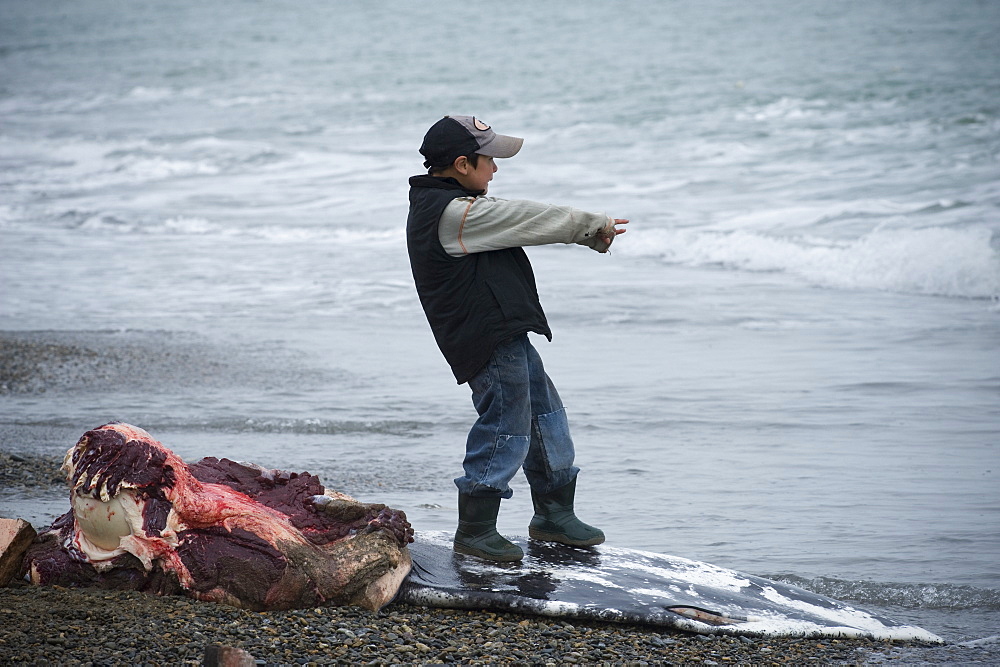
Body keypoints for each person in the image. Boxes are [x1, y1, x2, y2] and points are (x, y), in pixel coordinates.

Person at [405, 115, 628, 562]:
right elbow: (527, 216)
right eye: (490, 159)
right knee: (505, 425)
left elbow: (517, 221)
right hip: (485, 339)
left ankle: (554, 514)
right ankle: (475, 527)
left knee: (545, 417)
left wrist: (583, 237)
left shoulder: (459, 206)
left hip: (505, 333)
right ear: (463, 164)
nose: (496, 168)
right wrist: (590, 224)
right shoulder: (453, 214)